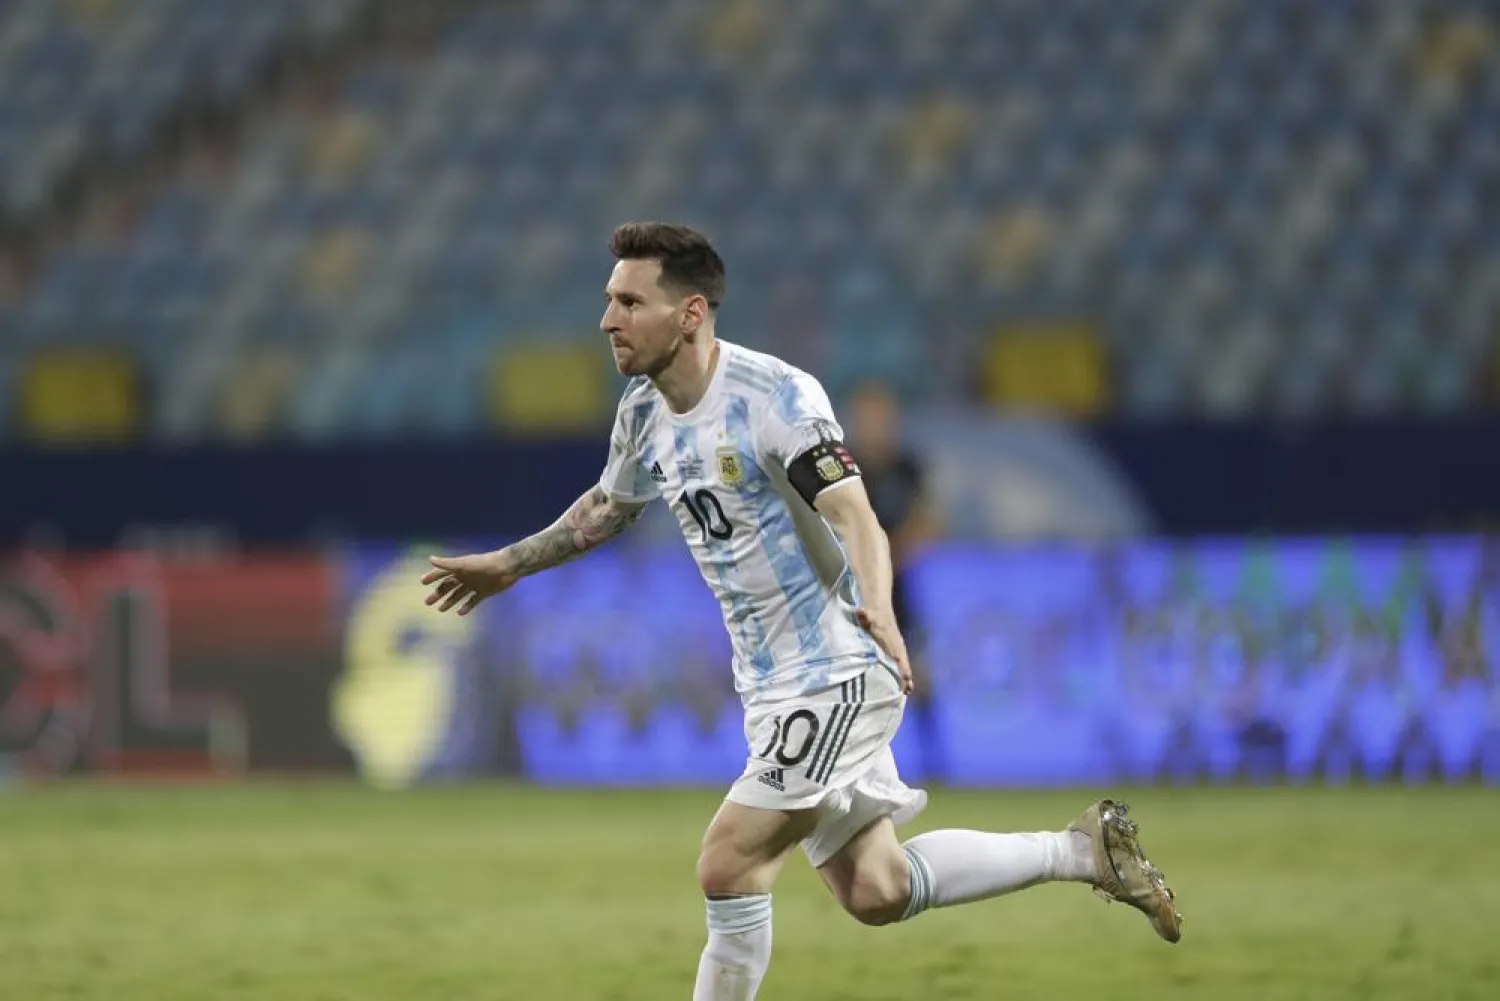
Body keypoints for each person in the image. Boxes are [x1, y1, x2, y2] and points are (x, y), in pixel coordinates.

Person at [421, 223, 1182, 1000]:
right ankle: (1083, 851)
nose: (607, 319)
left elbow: (856, 515)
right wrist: (509, 564)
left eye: (627, 301)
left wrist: (879, 607)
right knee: (876, 888)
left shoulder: (775, 397)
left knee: (727, 862)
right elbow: (608, 508)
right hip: (772, 683)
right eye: (608, 301)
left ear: (689, 313)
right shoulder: (643, 412)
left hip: (839, 661)